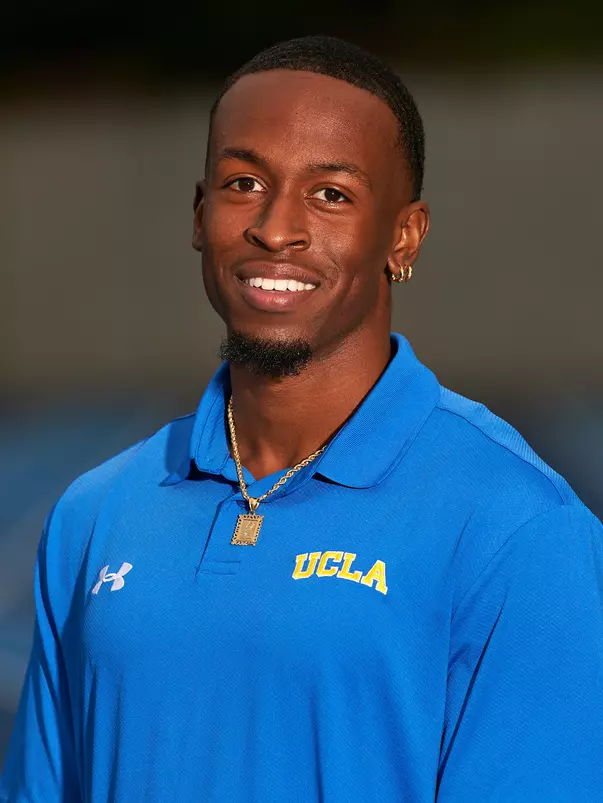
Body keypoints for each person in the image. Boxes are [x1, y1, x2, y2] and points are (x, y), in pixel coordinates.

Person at [1, 34, 602, 803]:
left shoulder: (518, 528)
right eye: (244, 182)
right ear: (199, 213)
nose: (275, 227)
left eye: (330, 194)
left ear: (402, 235)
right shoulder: (93, 516)